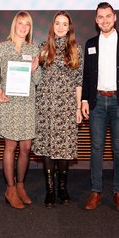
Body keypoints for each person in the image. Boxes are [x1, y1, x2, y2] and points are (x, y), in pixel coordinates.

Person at [81, 2, 119, 212]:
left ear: (114, 17)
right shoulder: (90, 43)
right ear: (96, 20)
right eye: (100, 17)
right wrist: (84, 100)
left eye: (108, 16)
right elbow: (87, 75)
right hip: (97, 102)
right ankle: (96, 191)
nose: (104, 20)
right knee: (96, 148)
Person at [0, 11, 41, 209]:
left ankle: (20, 186)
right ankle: (10, 189)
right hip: (9, 103)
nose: (24, 27)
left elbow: (38, 81)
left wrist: (35, 69)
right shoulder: (2, 47)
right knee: (10, 147)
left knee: (25, 148)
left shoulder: (33, 49)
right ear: (14, 25)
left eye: (27, 24)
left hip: (27, 105)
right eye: (20, 23)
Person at [33, 11, 84, 207]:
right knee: (47, 148)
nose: (61, 27)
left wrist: (78, 108)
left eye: (64, 24)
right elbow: (35, 77)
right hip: (45, 106)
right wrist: (32, 67)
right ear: (52, 26)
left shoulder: (76, 49)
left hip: (67, 107)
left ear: (69, 27)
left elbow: (79, 81)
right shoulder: (42, 48)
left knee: (64, 149)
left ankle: (62, 188)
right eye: (57, 23)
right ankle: (50, 190)